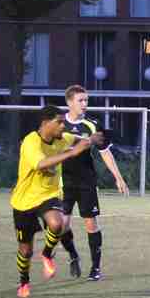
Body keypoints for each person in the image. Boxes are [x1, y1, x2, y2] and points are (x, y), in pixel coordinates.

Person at [11, 106, 104, 298]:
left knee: (57, 223)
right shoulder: (31, 141)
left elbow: (77, 140)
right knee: (25, 250)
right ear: (46, 123)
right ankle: (24, 281)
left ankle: (46, 254)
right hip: (24, 200)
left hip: (48, 195)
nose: (63, 125)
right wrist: (72, 153)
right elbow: (41, 164)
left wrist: (92, 139)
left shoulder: (63, 138)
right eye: (59, 122)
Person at [59, 85, 129, 280]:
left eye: (86, 100)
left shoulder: (92, 125)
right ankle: (73, 256)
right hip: (63, 182)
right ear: (69, 102)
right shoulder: (58, 124)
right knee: (61, 226)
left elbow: (105, 153)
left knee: (90, 223)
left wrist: (118, 177)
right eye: (80, 100)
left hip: (86, 181)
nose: (84, 104)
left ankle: (95, 268)